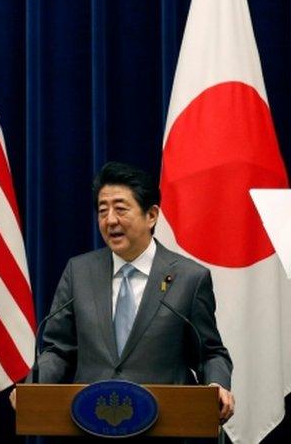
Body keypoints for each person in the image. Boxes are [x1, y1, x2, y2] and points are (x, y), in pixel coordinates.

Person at [14, 162, 234, 422]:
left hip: (165, 425)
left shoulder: (189, 278)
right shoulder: (80, 271)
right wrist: (33, 386)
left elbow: (210, 352)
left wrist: (216, 385)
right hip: (90, 424)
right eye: (102, 210)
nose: (110, 220)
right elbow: (58, 349)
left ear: (151, 215)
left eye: (120, 209)